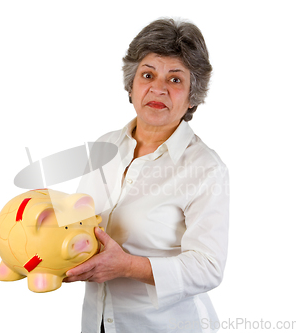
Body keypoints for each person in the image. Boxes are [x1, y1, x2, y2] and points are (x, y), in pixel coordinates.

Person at [64, 18, 229, 333]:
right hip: (96, 323)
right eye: (148, 74)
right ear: (131, 84)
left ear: (193, 96)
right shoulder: (104, 145)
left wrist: (127, 266)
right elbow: (79, 220)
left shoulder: (206, 169)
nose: (158, 88)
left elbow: (208, 267)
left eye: (175, 79)